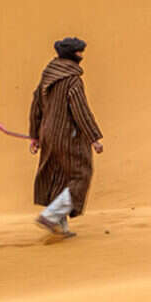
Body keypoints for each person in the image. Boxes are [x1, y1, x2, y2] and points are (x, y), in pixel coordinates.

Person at [30, 37, 103, 238]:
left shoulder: (47, 76)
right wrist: (93, 138)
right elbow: (80, 110)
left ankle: (60, 229)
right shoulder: (73, 80)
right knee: (80, 175)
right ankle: (51, 216)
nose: (82, 56)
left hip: (48, 134)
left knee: (58, 176)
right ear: (72, 55)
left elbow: (35, 105)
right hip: (68, 135)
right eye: (79, 53)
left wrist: (35, 135)